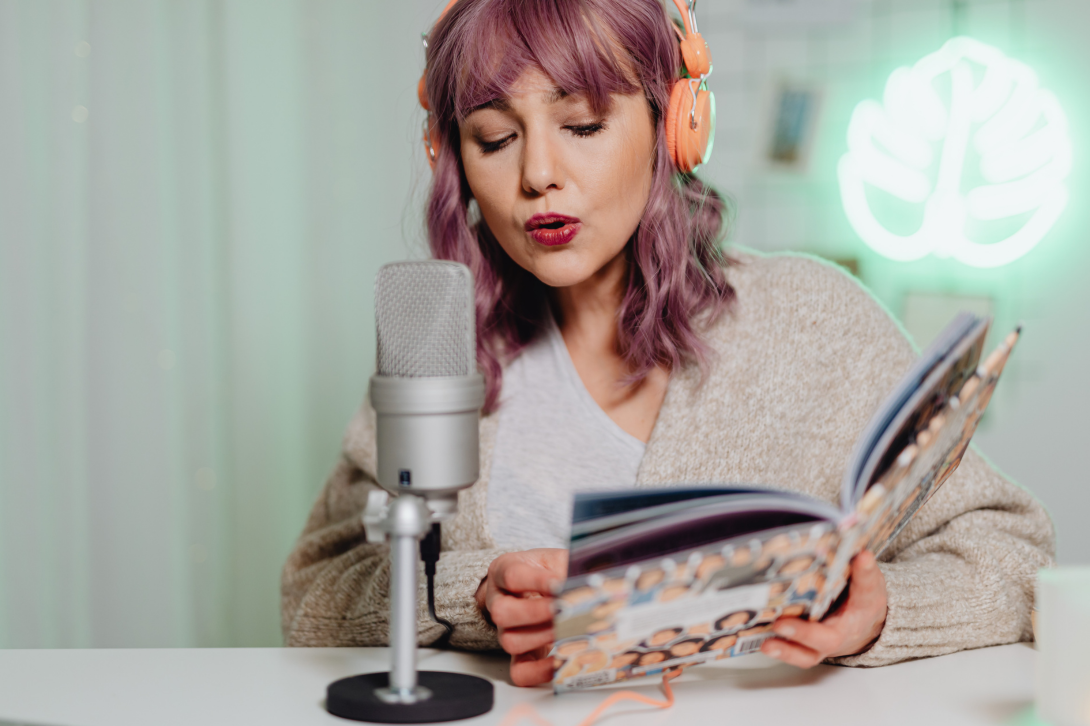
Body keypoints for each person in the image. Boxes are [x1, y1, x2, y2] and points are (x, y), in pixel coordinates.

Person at [280, 0, 1054, 688]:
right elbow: (312, 593)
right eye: (494, 137)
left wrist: (881, 611)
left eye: (583, 125)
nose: (538, 174)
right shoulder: (443, 342)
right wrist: (473, 594)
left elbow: (1016, 553)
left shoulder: (816, 321)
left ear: (673, 126)